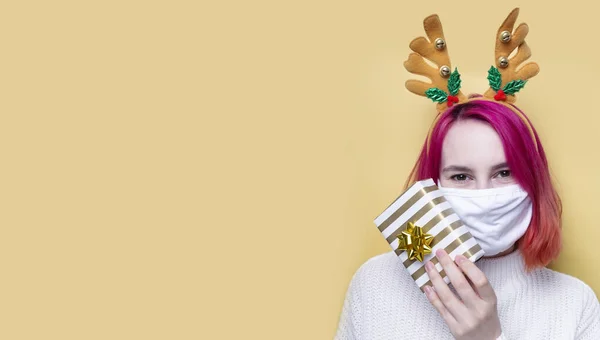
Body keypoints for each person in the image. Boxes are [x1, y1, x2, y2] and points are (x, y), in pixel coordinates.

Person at [334, 8, 600, 340]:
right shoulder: (374, 283)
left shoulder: (575, 304)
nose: (484, 194)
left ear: (533, 182)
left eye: (504, 173)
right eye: (461, 177)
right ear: (433, 184)